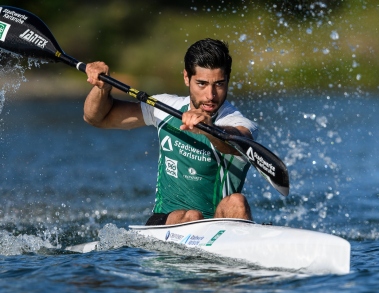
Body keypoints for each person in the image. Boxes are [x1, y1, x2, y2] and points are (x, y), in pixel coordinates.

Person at [83, 38, 258, 225]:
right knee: (192, 216)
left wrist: (210, 129)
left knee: (237, 202)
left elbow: (239, 141)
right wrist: (102, 88)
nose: (210, 95)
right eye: (202, 84)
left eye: (219, 84)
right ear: (186, 78)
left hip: (218, 224)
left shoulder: (238, 122)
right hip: (164, 222)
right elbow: (96, 118)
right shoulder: (164, 107)